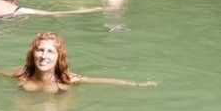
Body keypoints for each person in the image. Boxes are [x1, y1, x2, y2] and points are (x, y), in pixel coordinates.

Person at [8, 31, 157, 93]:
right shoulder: (23, 74)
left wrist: (136, 85)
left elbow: (102, 81)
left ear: (58, 57)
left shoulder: (66, 79)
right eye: (40, 50)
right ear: (33, 53)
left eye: (50, 51)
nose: (43, 56)